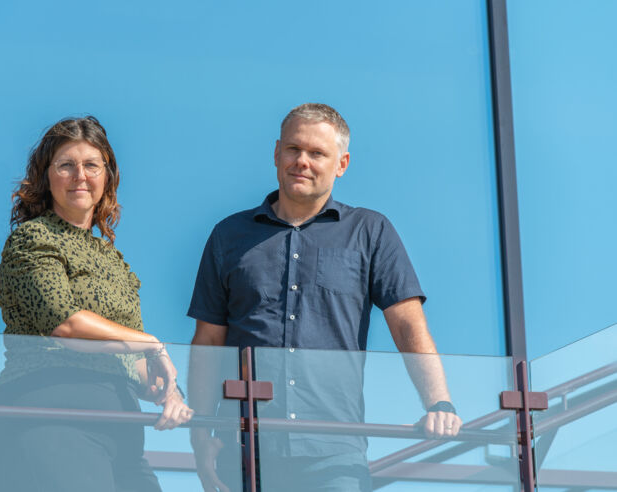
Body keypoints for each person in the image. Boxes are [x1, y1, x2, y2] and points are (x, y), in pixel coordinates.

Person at [187, 103, 462, 491]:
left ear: (341, 163)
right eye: (293, 149)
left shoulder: (370, 232)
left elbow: (408, 324)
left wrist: (439, 403)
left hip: (334, 451)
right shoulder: (228, 236)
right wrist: (200, 432)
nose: (302, 161)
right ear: (276, 152)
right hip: (244, 447)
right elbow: (208, 342)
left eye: (317, 153)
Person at [0, 116, 193, 492]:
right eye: (66, 165)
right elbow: (65, 324)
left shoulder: (112, 260)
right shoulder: (33, 238)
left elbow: (128, 358)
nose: (80, 175)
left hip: (119, 426)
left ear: (107, 177)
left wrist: (168, 390)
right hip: (47, 415)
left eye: (91, 165)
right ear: (46, 177)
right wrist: (152, 344)